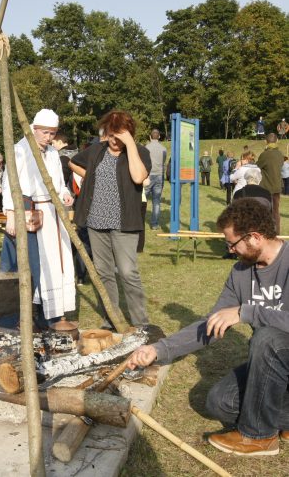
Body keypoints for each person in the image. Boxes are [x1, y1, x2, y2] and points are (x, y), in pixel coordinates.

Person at [127, 199, 289, 456]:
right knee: (220, 403)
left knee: (268, 338)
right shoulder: (240, 273)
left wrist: (246, 312)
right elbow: (212, 323)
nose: (230, 250)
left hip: (279, 353)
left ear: (255, 237)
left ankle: (260, 436)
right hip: (271, 368)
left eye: (232, 244)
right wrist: (159, 349)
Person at [70, 110, 151, 328]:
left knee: (127, 271)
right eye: (111, 135)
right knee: (104, 273)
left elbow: (138, 177)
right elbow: (72, 162)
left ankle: (141, 322)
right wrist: (90, 177)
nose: (114, 141)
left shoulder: (140, 152)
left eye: (119, 136)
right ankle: (111, 319)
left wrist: (130, 145)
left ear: (129, 134)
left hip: (125, 223)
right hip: (96, 223)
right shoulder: (97, 150)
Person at [0, 109, 76, 328]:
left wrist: (65, 194)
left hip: (51, 214)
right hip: (27, 210)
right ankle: (12, 315)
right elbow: (8, 184)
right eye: (45, 133)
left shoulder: (51, 153)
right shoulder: (20, 150)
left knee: (52, 264)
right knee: (26, 263)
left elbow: (59, 184)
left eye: (52, 133)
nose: (49, 138)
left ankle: (48, 315)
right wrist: (11, 215)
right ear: (33, 129)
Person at [257, 133, 284, 234]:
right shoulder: (280, 154)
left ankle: (265, 233)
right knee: (276, 211)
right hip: (277, 186)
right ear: (277, 141)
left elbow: (257, 166)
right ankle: (276, 233)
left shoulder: (265, 154)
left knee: (265, 211)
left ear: (266, 142)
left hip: (266, 187)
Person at [144, 129, 166, 230]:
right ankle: (154, 224)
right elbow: (163, 161)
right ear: (159, 137)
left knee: (143, 200)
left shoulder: (146, 148)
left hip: (148, 175)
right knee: (156, 201)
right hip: (159, 175)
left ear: (150, 136)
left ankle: (139, 221)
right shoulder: (163, 149)